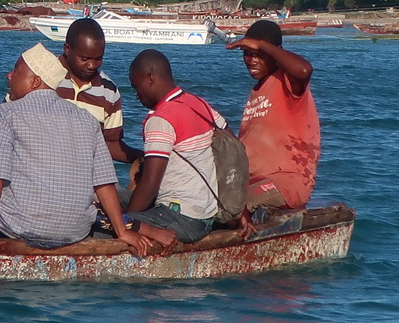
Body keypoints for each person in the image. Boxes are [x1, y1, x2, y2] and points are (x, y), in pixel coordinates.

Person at [0, 43, 151, 254]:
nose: (9, 76)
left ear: (34, 82)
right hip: (75, 229)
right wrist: (122, 232)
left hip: (23, 225)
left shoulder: (6, 114)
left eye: (16, 70)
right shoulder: (85, 119)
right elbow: (104, 182)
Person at [123, 49, 231, 246]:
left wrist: (126, 223)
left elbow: (150, 184)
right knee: (113, 198)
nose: (136, 95)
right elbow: (233, 148)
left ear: (149, 78)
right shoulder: (198, 104)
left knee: (108, 223)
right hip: (206, 215)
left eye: (136, 87)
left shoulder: (160, 119)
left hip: (180, 217)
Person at [226, 19, 320, 228]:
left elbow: (304, 70)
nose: (251, 60)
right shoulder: (257, 92)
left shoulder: (289, 81)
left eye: (259, 55)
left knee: (232, 204)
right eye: (248, 54)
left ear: (276, 52)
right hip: (251, 179)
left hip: (286, 182)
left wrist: (261, 45)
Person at [54, 18, 130, 162]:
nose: (92, 65)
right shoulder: (43, 76)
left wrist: (144, 157)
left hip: (85, 177)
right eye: (85, 59)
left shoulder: (109, 91)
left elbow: (111, 143)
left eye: (98, 59)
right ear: (67, 49)